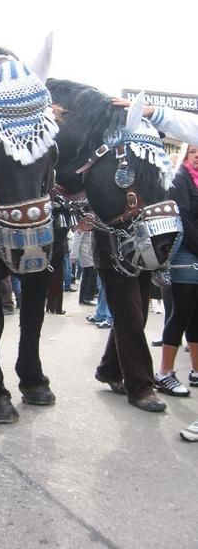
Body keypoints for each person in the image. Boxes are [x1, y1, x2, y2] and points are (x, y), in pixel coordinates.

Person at [114, 99, 198, 438]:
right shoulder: (178, 178)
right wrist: (153, 113)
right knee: (162, 314)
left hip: (166, 250)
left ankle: (123, 371)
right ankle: (155, 375)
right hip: (172, 252)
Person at [152, 143, 198, 397]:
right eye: (194, 152)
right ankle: (164, 373)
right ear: (186, 155)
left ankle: (196, 370)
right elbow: (184, 219)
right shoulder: (180, 179)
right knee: (180, 313)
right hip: (185, 253)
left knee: (196, 316)